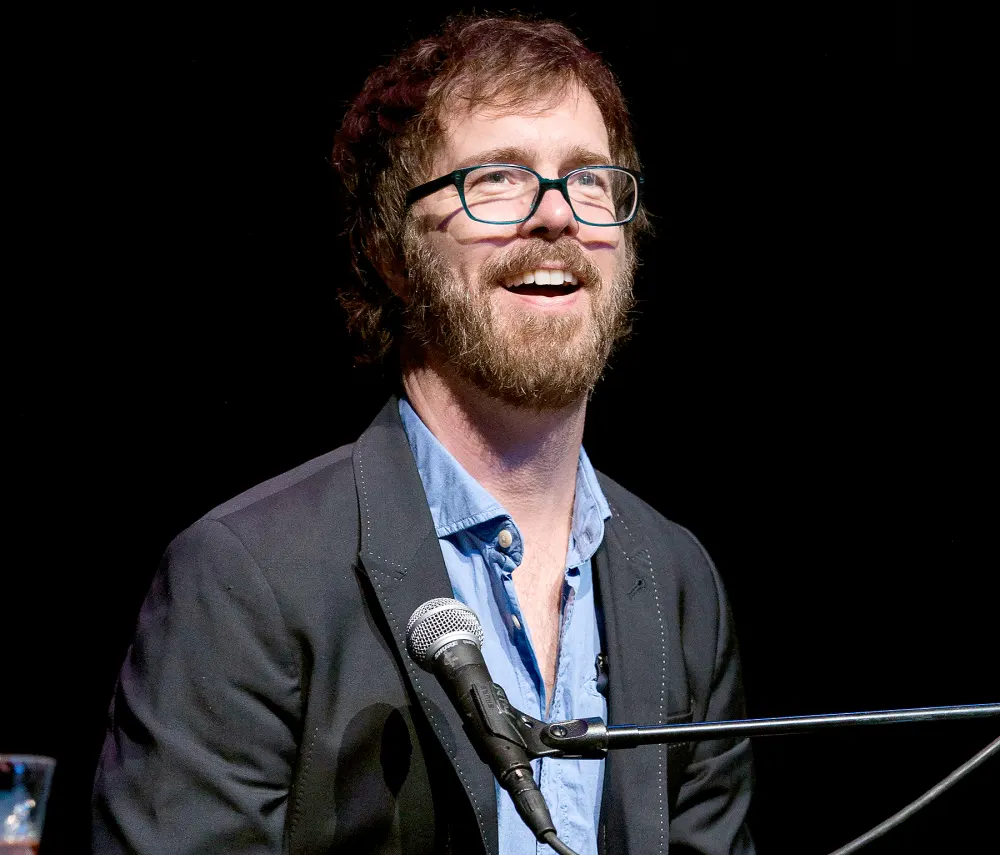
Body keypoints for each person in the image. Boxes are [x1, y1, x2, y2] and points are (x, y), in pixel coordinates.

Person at [92, 14, 754, 855]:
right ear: (393, 250)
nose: (558, 217)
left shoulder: (677, 578)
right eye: (500, 180)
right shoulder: (245, 578)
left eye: (590, 181)